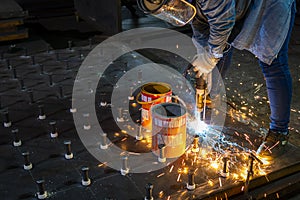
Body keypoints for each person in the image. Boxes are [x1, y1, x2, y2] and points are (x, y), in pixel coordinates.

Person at [137, 0, 297, 157]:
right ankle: (207, 101)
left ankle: (279, 132)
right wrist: (203, 53)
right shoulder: (191, 4)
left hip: (269, 5)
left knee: (273, 64)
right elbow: (200, 25)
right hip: (235, 9)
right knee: (216, 51)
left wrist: (210, 58)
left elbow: (223, 23)